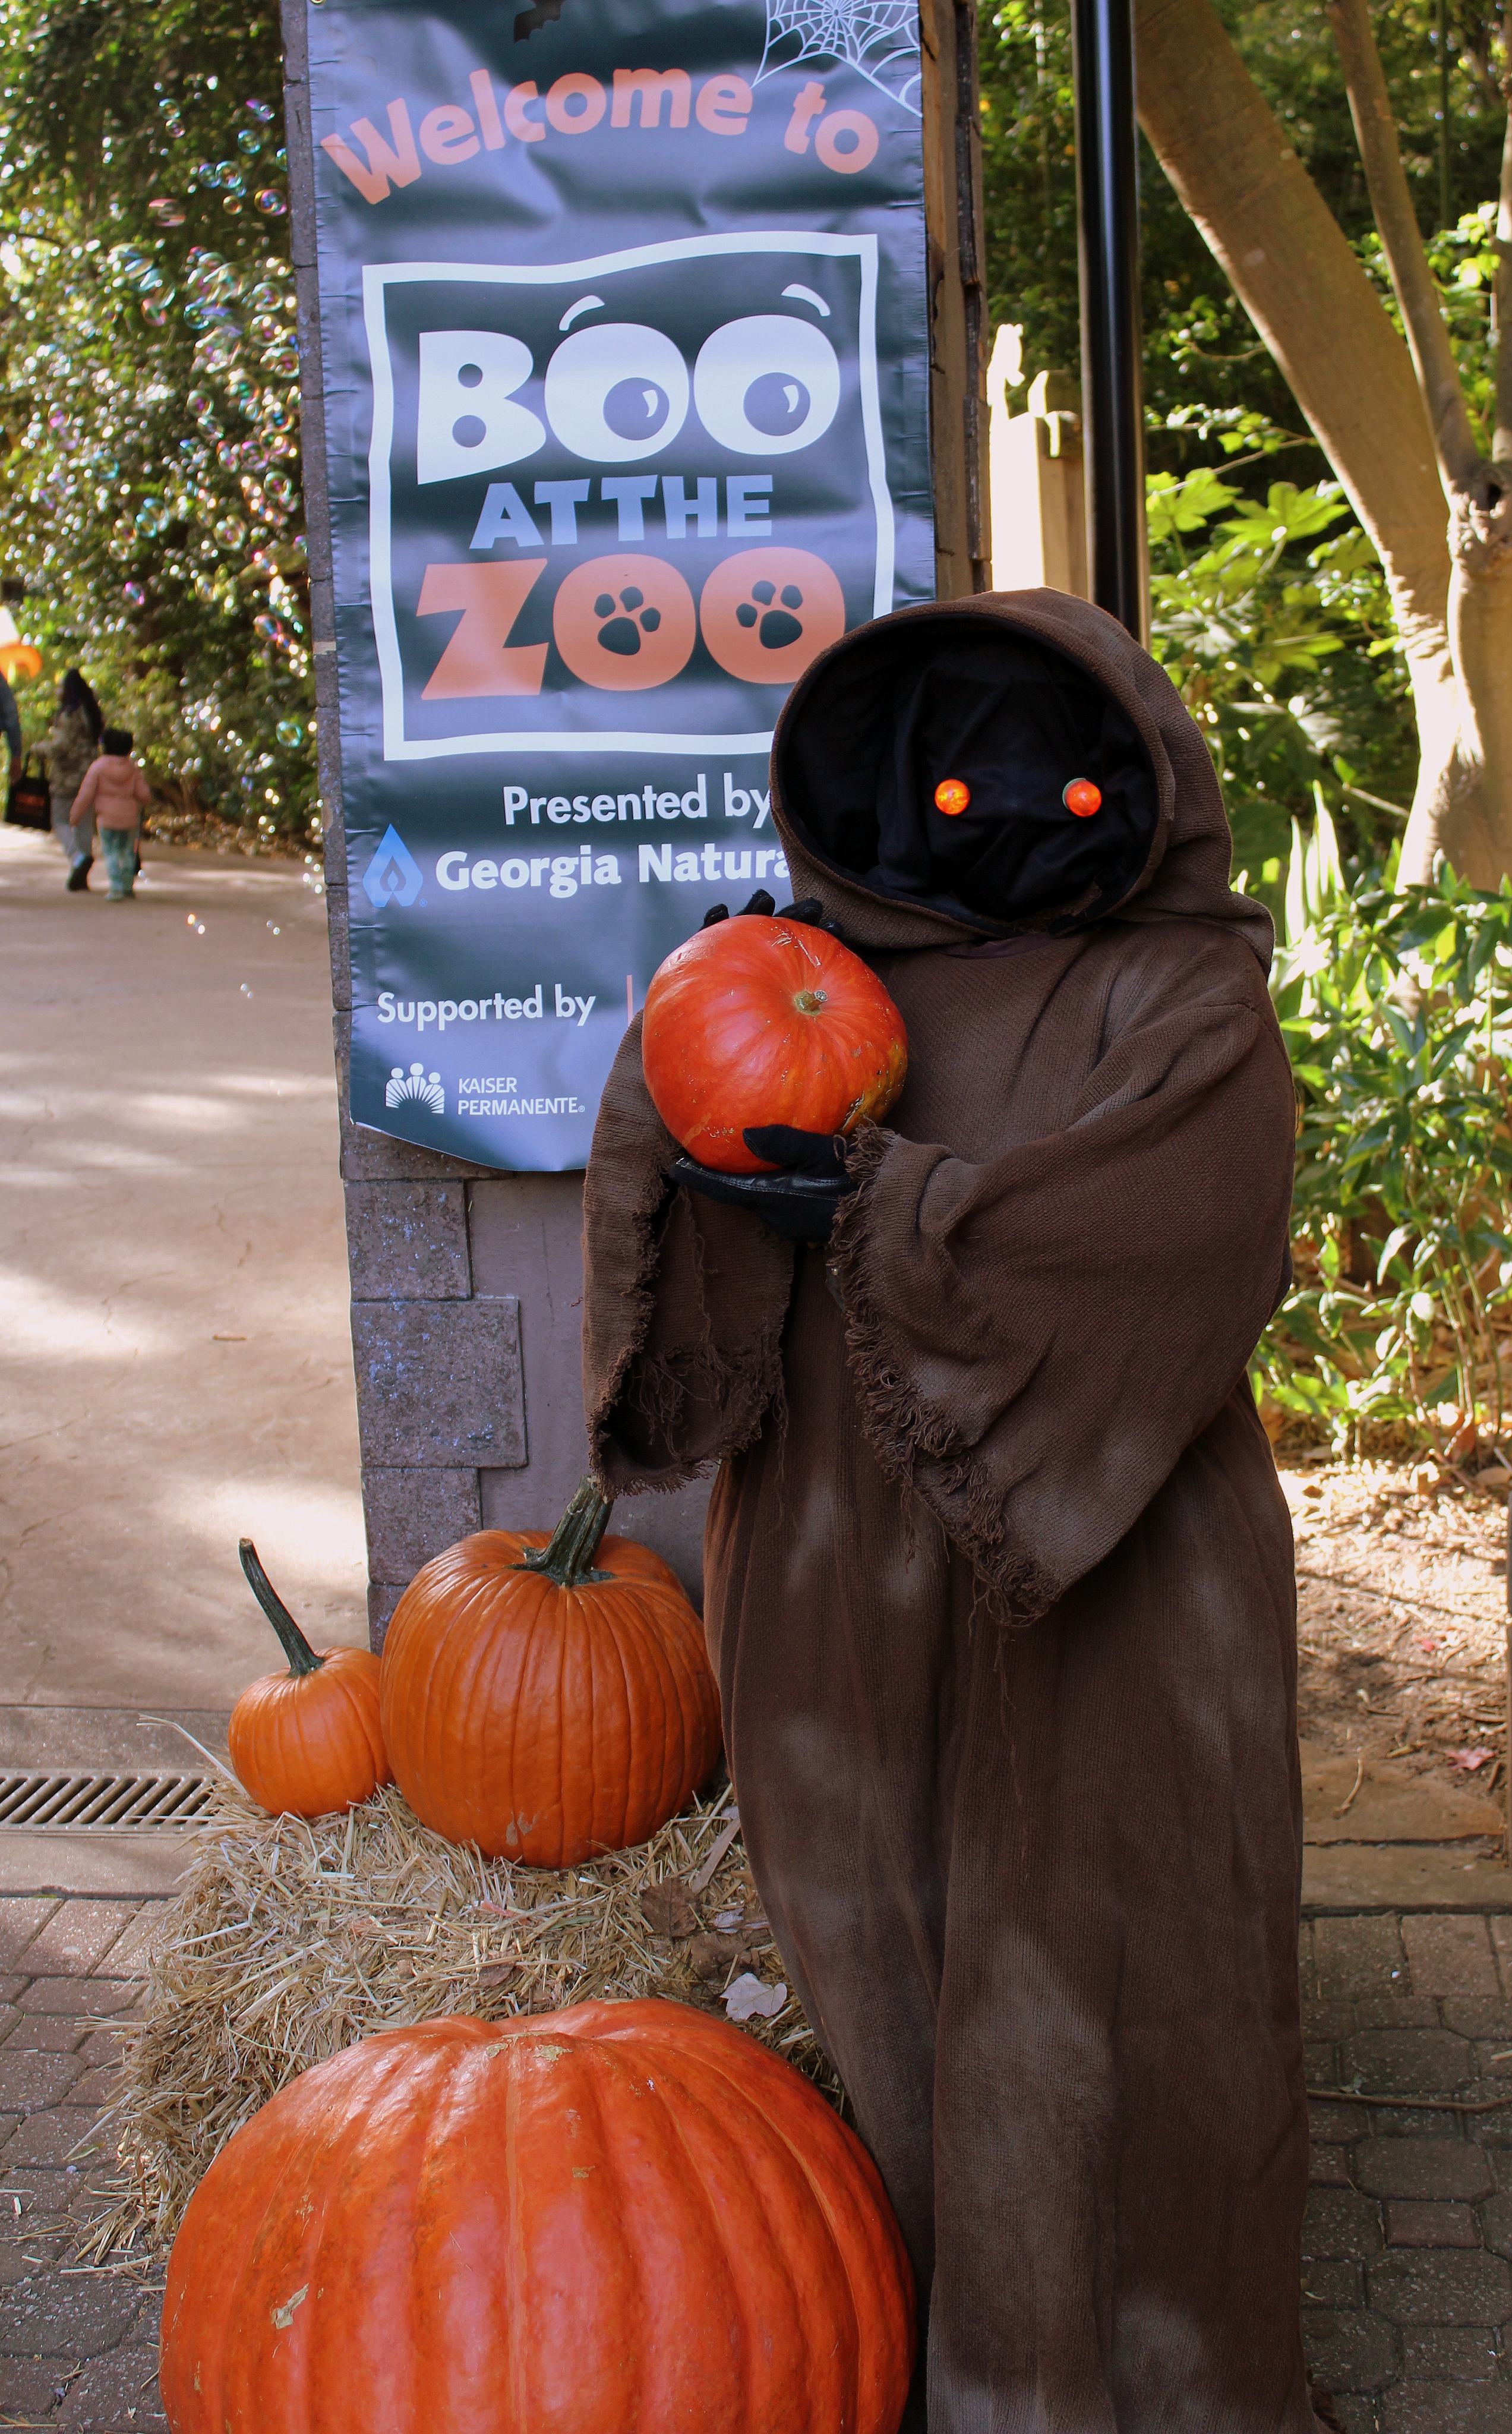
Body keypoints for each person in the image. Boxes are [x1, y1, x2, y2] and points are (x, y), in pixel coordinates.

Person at [581, 591, 1314, 2430]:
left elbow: (1177, 1223)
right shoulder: (805, 961)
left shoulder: (1183, 994)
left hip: (1123, 1557)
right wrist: (698, 1069)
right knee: (884, 1942)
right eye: (947, 781)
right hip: (837, 1559)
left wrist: (877, 1211)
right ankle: (912, 2349)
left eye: (1047, 784)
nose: (993, 814)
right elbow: (694, 1126)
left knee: (1121, 1970)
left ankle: (1145, 2381)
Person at [68, 728, 150, 901]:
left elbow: (85, 795)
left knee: (111, 852)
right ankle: (127, 886)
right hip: (129, 819)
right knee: (127, 852)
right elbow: (144, 795)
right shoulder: (132, 769)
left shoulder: (98, 767)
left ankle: (116, 887)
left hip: (107, 820)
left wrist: (75, 816)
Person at [44, 669, 102, 891]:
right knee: (84, 824)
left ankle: (77, 857)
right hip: (89, 776)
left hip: (66, 777)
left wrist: (39, 749)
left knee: (60, 820)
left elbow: (61, 747)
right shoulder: (93, 714)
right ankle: (82, 874)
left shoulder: (68, 716)